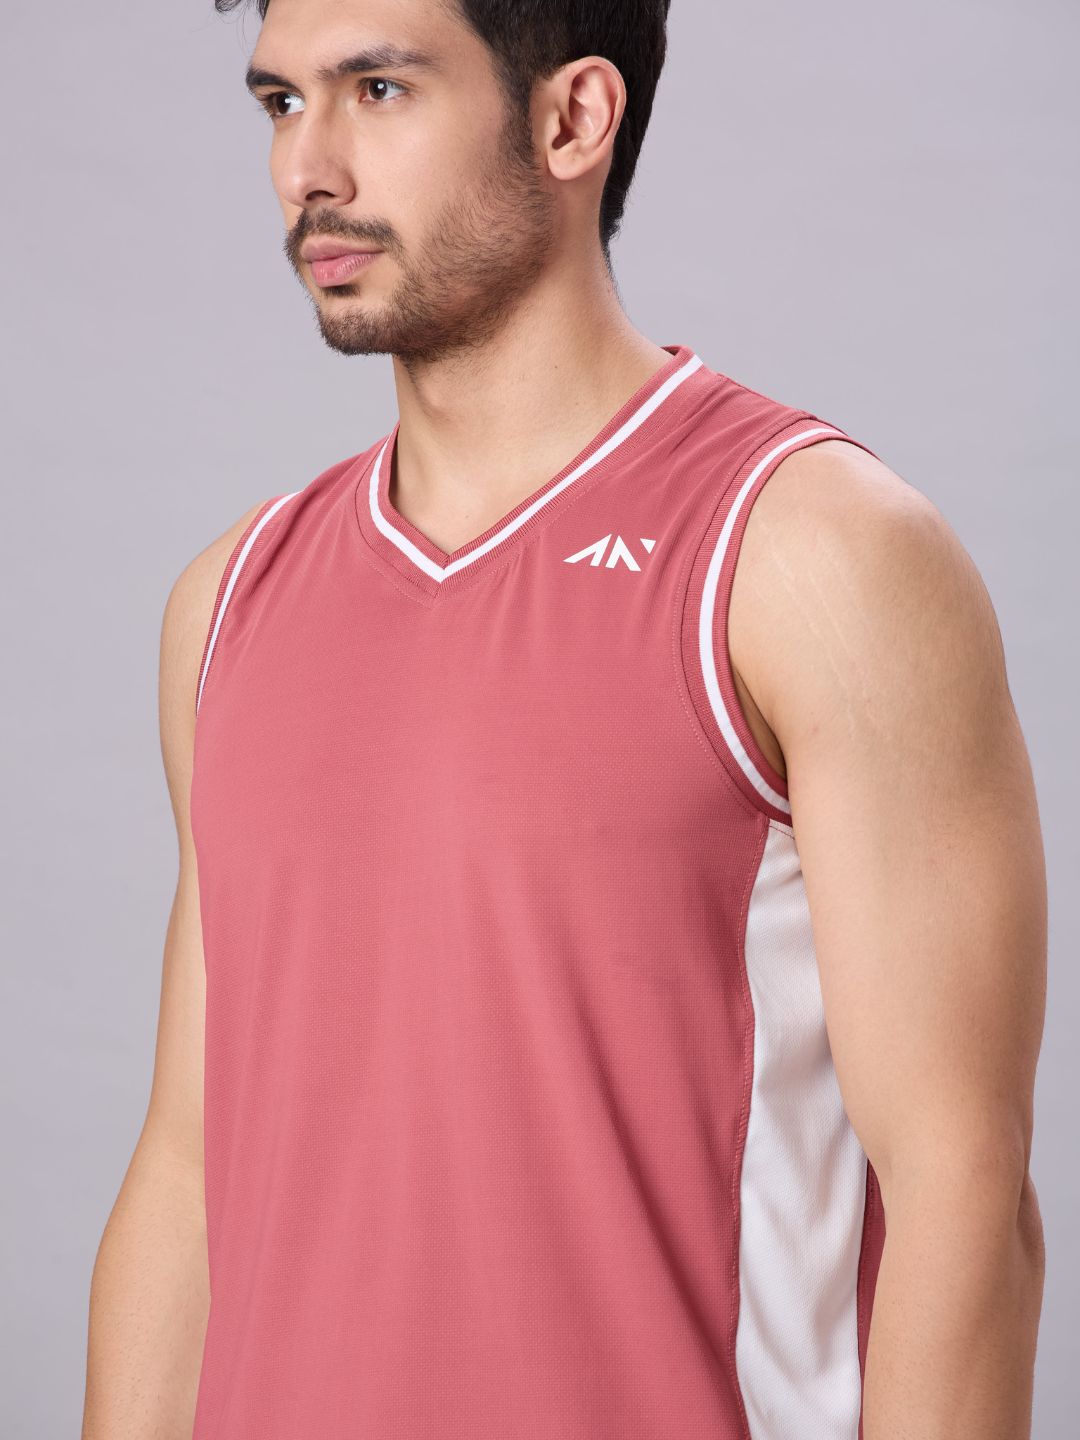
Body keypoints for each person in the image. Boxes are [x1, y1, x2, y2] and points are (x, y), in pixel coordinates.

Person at [81, 1, 1047, 1437]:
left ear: (572, 119)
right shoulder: (228, 601)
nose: (306, 169)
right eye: (282, 103)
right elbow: (187, 1172)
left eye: (378, 90)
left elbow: (963, 1198)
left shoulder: (812, 555)